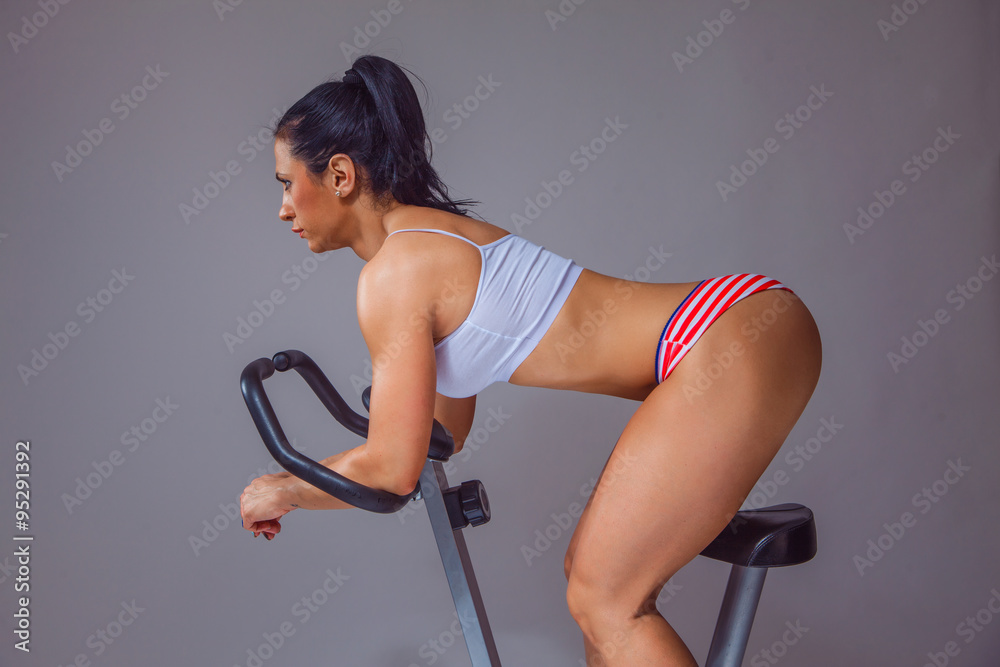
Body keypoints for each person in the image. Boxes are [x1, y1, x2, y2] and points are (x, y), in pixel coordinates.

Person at [239, 54, 822, 666]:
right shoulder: (422, 245)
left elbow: (392, 471)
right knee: (590, 583)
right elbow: (445, 434)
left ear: (338, 175)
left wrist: (283, 490)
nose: (283, 208)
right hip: (741, 323)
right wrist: (391, 410)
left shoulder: (395, 273)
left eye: (285, 183)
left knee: (605, 600)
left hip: (725, 336)